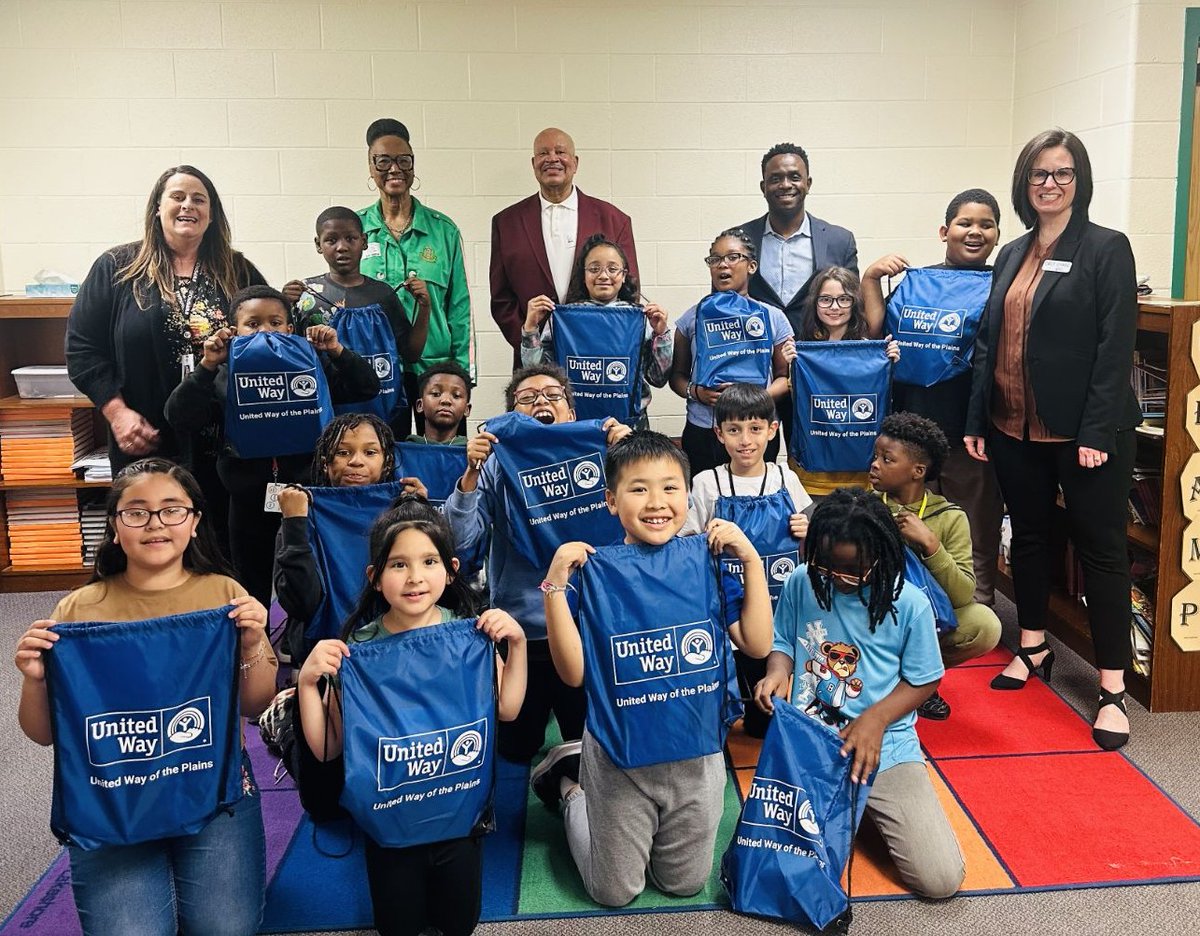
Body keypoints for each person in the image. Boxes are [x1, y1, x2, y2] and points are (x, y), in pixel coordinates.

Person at [14, 458, 277, 935]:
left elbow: (255, 706)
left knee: (227, 928)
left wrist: (253, 644)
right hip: (111, 792)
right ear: (114, 527)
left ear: (195, 522)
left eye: (172, 510)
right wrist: (35, 679)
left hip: (213, 788)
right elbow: (43, 734)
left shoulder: (226, 597)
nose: (155, 523)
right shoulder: (78, 610)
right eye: (136, 512)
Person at [535, 431, 773, 907]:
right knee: (614, 892)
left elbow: (757, 641)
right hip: (621, 758)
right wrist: (556, 585)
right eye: (638, 488)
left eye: (670, 488)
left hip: (697, 756)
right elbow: (574, 674)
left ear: (688, 495)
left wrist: (750, 560)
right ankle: (569, 787)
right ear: (610, 499)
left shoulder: (705, 561)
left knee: (684, 884)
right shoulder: (596, 571)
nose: (656, 502)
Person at [964, 129, 1141, 751]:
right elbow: (990, 342)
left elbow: (1114, 346)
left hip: (1083, 433)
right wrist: (976, 418)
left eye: (1062, 174)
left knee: (1102, 553)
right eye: (1039, 174)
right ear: (1024, 183)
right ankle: (1033, 646)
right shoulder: (1012, 252)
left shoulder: (1105, 248)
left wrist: (1094, 428)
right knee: (1032, 538)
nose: (1050, 184)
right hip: (1013, 425)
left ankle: (1112, 689)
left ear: (1079, 181)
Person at [296, 499, 527, 936]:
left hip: (459, 818)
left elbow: (508, 708)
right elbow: (330, 747)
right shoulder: (358, 649)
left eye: (428, 561)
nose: (415, 576)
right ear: (376, 578)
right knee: (398, 927)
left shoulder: (471, 635)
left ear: (451, 569)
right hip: (392, 823)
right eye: (398, 564)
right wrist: (309, 683)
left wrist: (516, 646)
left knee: (459, 923)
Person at [754, 488, 964, 900]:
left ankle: (868, 803)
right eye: (827, 566)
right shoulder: (802, 581)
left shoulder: (910, 603)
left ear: (881, 556)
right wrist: (778, 672)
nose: (838, 580)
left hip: (883, 745)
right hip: (809, 744)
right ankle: (857, 804)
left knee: (939, 881)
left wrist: (876, 718)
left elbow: (925, 679)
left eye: (853, 571)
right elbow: (782, 640)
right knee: (776, 866)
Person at [66, 165, 266, 546]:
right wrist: (117, 414)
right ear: (157, 208)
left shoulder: (237, 270)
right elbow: (82, 349)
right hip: (145, 436)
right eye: (177, 196)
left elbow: (269, 335)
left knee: (221, 549)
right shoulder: (118, 268)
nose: (187, 205)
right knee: (150, 547)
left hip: (222, 444)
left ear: (212, 213)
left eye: (199, 198)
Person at [445, 363, 631, 762]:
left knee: (592, 748)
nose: (540, 402)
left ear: (572, 414)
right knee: (514, 752)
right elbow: (460, 546)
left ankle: (569, 787)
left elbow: (646, 524)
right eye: (526, 399)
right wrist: (470, 476)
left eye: (552, 395)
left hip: (588, 630)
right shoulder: (496, 466)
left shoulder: (606, 456)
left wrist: (630, 456)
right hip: (521, 635)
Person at [164, 285, 380, 607]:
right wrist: (208, 366)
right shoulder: (224, 373)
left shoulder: (311, 364)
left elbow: (367, 386)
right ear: (234, 331)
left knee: (311, 577)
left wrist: (336, 350)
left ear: (290, 329)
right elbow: (178, 416)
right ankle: (257, 646)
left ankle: (303, 641)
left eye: (275, 322)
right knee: (251, 584)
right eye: (253, 324)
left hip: (308, 494)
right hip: (248, 499)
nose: (266, 331)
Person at [861, 189, 1005, 606]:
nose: (974, 231)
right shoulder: (914, 286)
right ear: (945, 231)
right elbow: (874, 333)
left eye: (986, 224)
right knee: (905, 517)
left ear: (997, 235)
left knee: (974, 520)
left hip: (969, 430)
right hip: (912, 425)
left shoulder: (1002, 285)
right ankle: (909, 603)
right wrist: (871, 277)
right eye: (965, 223)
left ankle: (977, 606)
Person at [682, 383, 812, 737]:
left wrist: (808, 524)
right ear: (718, 433)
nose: (745, 440)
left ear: (772, 431)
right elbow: (687, 542)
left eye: (755, 429)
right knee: (730, 709)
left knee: (765, 724)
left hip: (783, 607)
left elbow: (815, 527)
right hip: (731, 613)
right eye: (734, 430)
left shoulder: (786, 477)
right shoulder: (708, 482)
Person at [868, 413, 1002, 719]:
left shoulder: (950, 516)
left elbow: (963, 595)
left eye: (887, 459)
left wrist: (931, 544)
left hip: (924, 618)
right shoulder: (865, 505)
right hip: (870, 617)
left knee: (984, 624)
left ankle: (919, 681)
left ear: (918, 471)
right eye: (875, 456)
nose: (875, 464)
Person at [358, 118, 472, 436]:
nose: (394, 168)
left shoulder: (443, 230)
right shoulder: (355, 229)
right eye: (383, 161)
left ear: (413, 166)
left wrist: (460, 373)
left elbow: (459, 307)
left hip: (435, 370)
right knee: (379, 457)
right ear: (370, 167)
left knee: (445, 459)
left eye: (403, 160)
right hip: (376, 369)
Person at [490, 128, 640, 369]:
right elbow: (501, 298)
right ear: (533, 163)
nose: (552, 158)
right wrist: (529, 340)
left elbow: (629, 289)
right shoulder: (506, 222)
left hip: (599, 355)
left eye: (560, 152)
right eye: (543, 153)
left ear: (575, 162)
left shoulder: (614, 219)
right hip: (536, 363)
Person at [283, 206, 431, 434]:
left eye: (350, 238)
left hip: (384, 415)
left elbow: (411, 354)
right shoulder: (307, 297)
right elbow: (289, 358)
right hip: (328, 415)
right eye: (331, 240)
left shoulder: (383, 294)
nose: (342, 247)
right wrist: (281, 306)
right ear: (318, 244)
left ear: (363, 241)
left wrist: (424, 308)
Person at [274, 413, 399, 668]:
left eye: (370, 452)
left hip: (390, 650)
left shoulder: (401, 512)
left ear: (386, 463)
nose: (356, 461)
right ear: (324, 463)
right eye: (343, 452)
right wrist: (294, 524)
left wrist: (419, 511)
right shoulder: (302, 514)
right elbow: (302, 604)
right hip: (322, 657)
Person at [669, 229, 794, 477]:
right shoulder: (692, 317)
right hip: (703, 429)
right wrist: (697, 393)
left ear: (752, 266)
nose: (722, 265)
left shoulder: (773, 317)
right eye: (715, 259)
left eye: (732, 257)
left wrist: (755, 398)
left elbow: (787, 378)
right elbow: (677, 376)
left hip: (755, 430)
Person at [521, 233, 671, 429]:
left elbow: (659, 379)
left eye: (612, 269)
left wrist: (661, 335)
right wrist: (530, 328)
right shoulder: (562, 321)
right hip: (574, 426)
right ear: (583, 275)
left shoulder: (640, 320)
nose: (603, 275)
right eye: (594, 268)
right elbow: (536, 373)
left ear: (624, 275)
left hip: (631, 428)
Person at [789, 266, 899, 497]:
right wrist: (790, 365)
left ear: (854, 303)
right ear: (815, 303)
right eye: (826, 300)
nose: (835, 307)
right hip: (811, 478)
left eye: (843, 299)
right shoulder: (801, 350)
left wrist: (890, 363)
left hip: (861, 477)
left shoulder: (873, 350)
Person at [407, 362, 473, 446]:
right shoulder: (403, 453)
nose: (446, 400)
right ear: (420, 405)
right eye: (436, 394)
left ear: (467, 409)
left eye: (456, 395)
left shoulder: (472, 454)